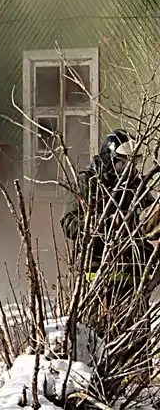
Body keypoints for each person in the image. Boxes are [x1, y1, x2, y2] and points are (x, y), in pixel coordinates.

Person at [61, 129, 155, 340]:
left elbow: (151, 218)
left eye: (133, 163)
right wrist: (104, 225)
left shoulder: (136, 186)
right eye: (123, 163)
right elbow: (69, 224)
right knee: (99, 339)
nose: (128, 169)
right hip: (97, 278)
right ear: (109, 159)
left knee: (137, 341)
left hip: (132, 278)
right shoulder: (88, 184)